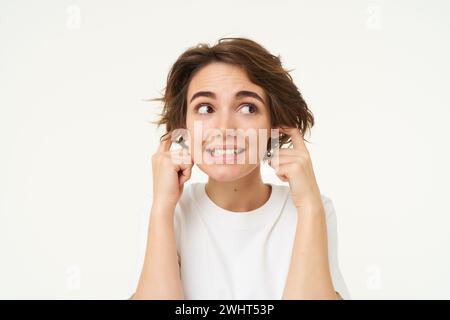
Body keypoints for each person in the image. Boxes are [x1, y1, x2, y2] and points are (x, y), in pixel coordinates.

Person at [131, 37, 350, 300]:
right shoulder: (165, 210)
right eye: (205, 108)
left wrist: (309, 204)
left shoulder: (313, 209)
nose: (224, 128)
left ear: (274, 127)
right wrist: (162, 208)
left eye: (247, 108)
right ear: (183, 128)